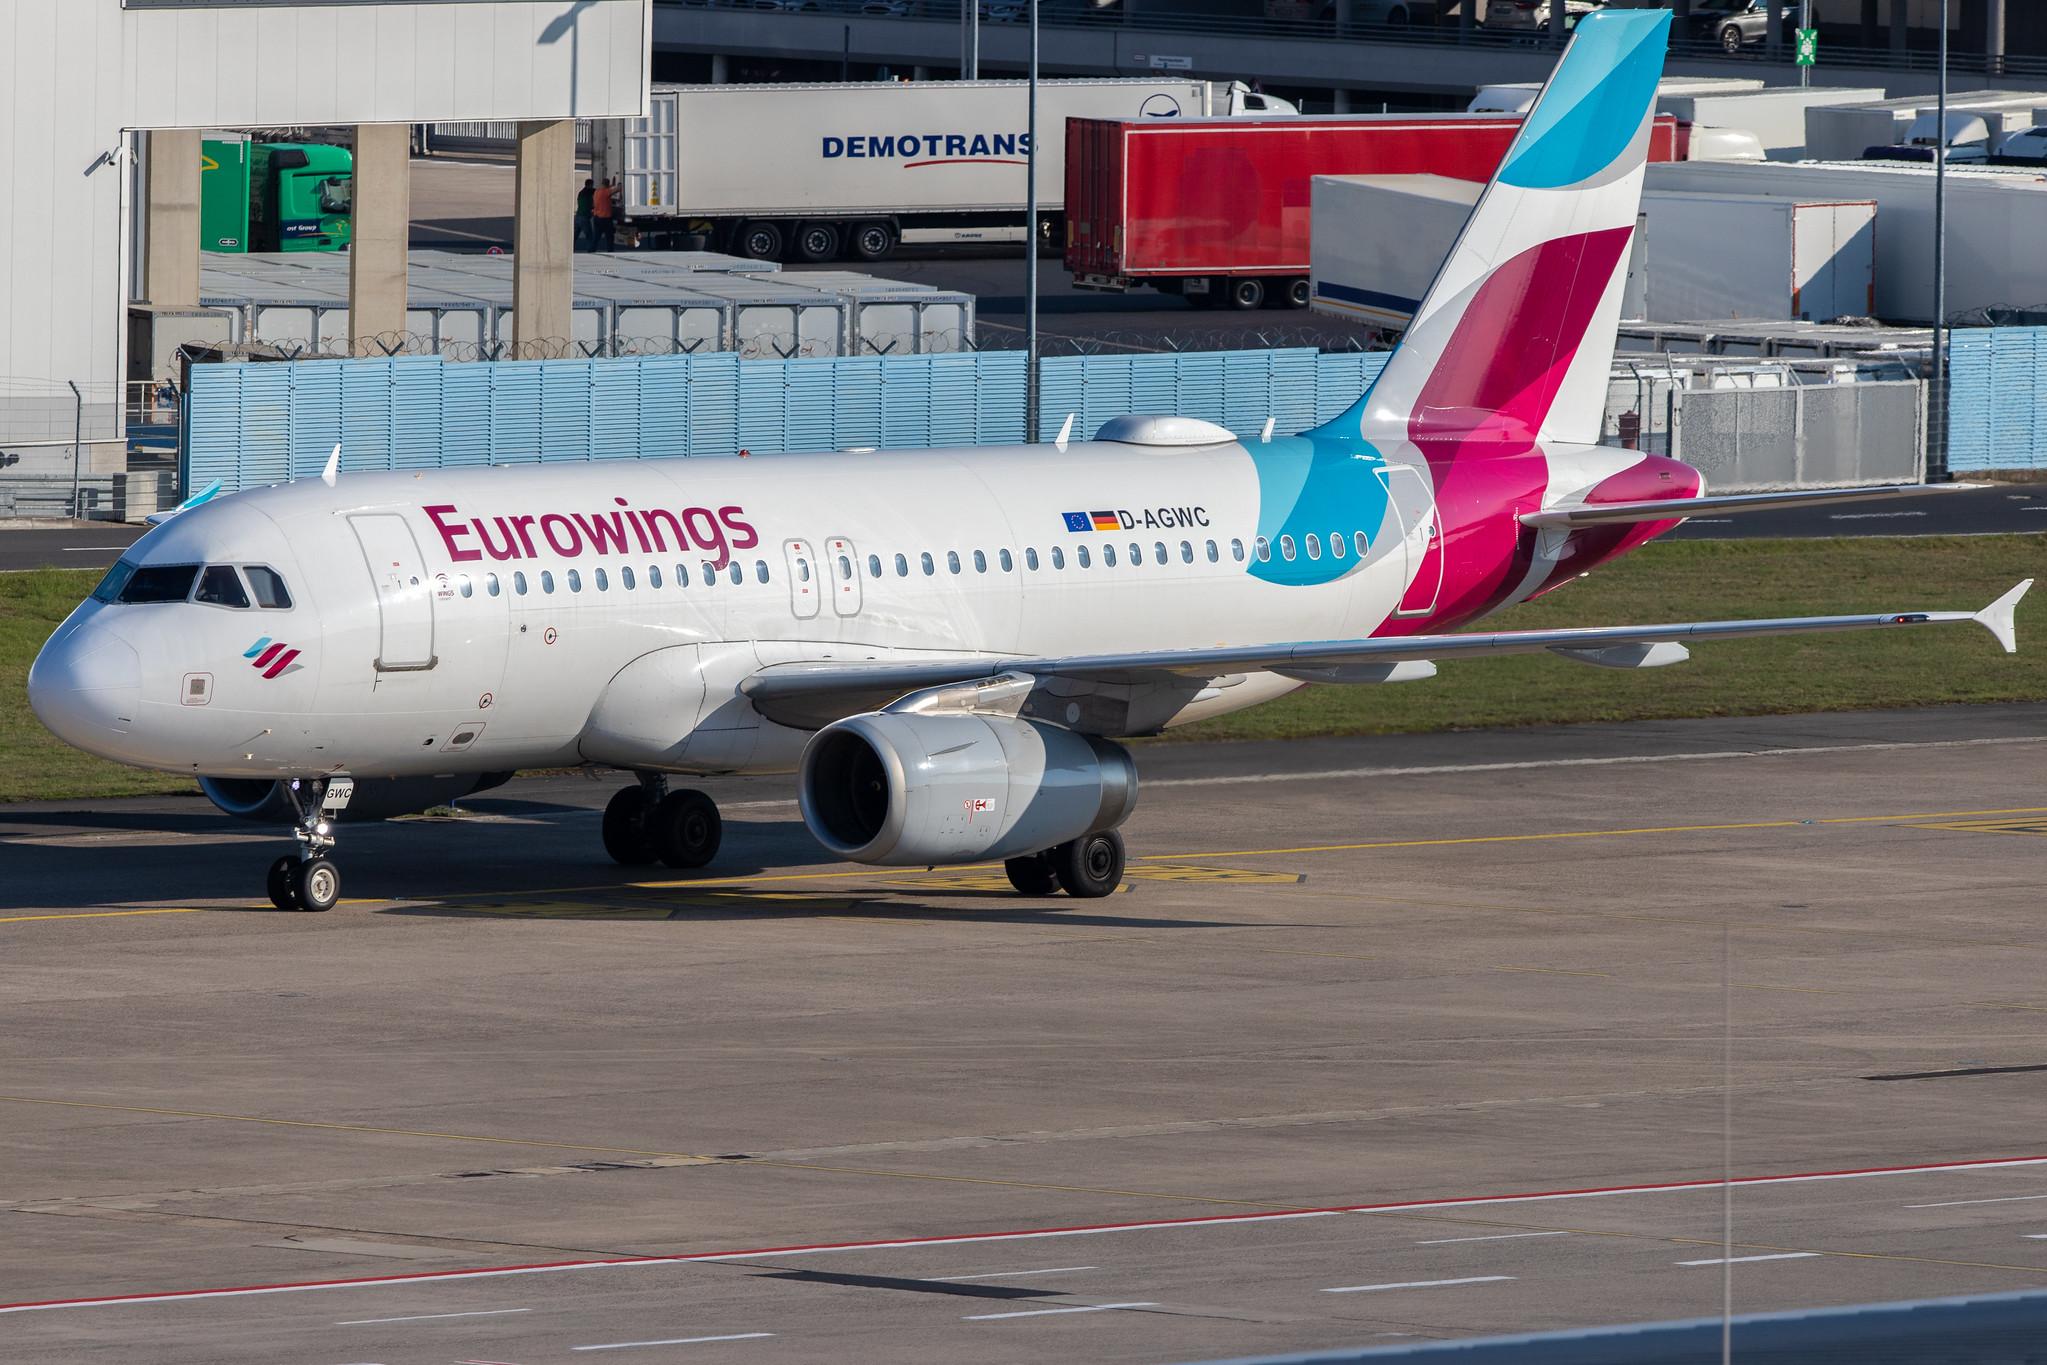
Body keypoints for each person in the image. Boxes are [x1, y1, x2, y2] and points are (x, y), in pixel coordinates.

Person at [592, 177, 617, 253]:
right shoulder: (606, 192)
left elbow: (607, 189)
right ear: (608, 184)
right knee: (609, 236)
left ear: (602, 183)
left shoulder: (597, 191)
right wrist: (619, 185)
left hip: (597, 217)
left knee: (596, 236)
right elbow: (618, 189)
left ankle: (592, 249)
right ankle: (610, 250)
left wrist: (612, 185)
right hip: (605, 218)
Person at [574, 177, 594, 252]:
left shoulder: (581, 192)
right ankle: (590, 250)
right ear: (590, 185)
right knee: (589, 235)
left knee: (575, 235)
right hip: (584, 217)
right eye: (592, 185)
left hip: (578, 216)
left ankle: (570, 249)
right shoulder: (588, 192)